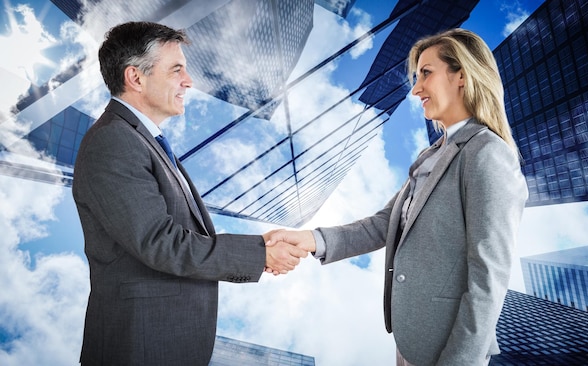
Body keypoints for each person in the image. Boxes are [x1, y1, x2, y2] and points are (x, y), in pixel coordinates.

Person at [266, 28, 528, 365]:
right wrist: (310, 238)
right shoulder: (431, 155)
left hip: (451, 348)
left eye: (426, 74)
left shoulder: (487, 153)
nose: (417, 88)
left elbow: (488, 277)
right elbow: (384, 225)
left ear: (461, 75)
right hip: (413, 341)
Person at [72, 21, 307, 366]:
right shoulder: (114, 142)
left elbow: (178, 235)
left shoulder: (143, 141)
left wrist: (260, 245)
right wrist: (259, 255)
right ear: (135, 78)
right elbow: (161, 243)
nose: (189, 81)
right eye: (176, 70)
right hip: (140, 346)